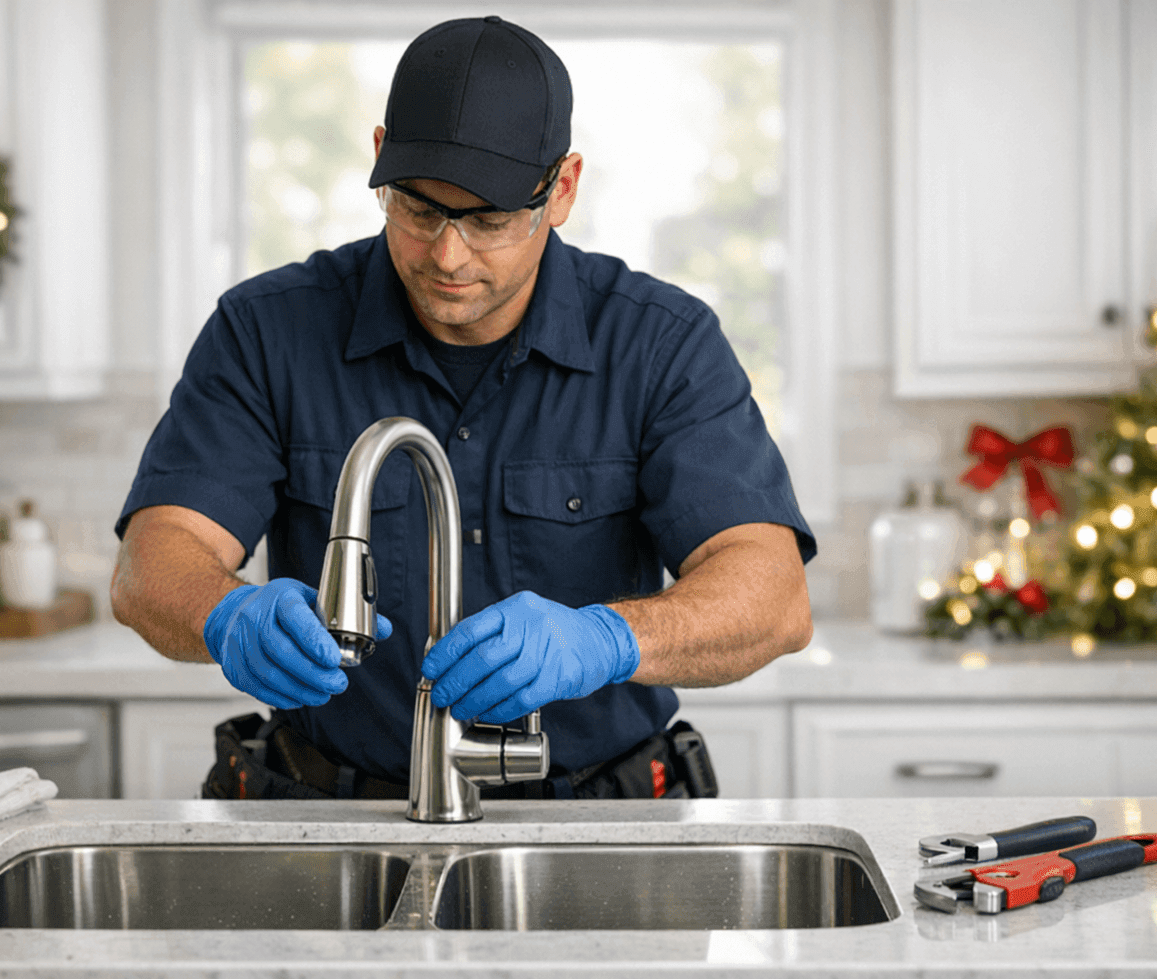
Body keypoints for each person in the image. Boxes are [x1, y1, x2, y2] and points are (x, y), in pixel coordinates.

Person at [110, 15, 816, 801]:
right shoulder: (267, 330)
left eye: (488, 220)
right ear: (379, 157)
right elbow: (151, 562)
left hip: (601, 825)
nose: (448, 255)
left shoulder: (660, 344)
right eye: (418, 210)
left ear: (564, 189)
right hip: (330, 818)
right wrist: (226, 615)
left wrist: (608, 639)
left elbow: (775, 596)